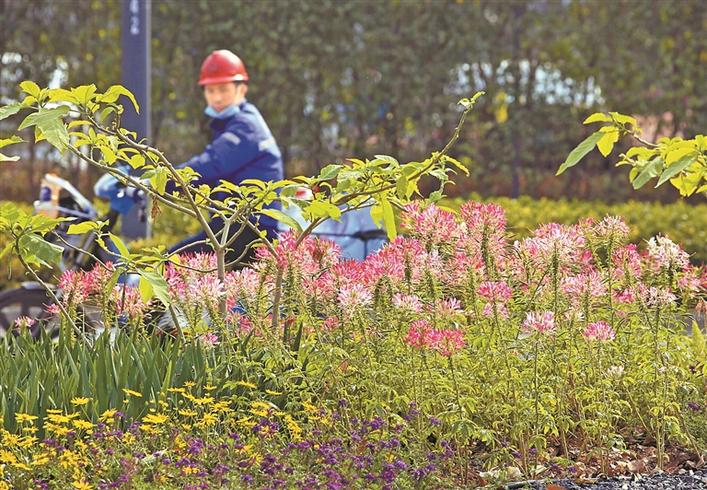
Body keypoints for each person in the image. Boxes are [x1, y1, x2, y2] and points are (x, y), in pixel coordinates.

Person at [166, 49, 284, 266]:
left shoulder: (245, 127)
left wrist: (157, 180)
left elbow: (210, 165)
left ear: (242, 89)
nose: (217, 97)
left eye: (223, 89)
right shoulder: (232, 125)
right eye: (210, 90)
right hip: (233, 230)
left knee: (170, 266)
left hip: (250, 234)